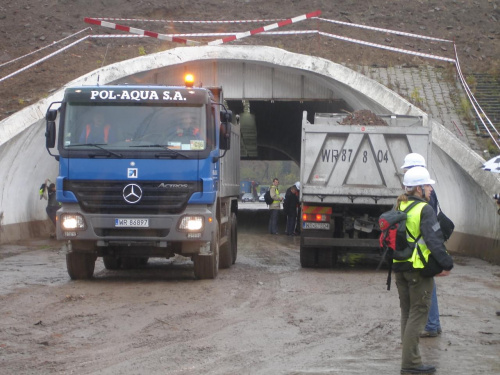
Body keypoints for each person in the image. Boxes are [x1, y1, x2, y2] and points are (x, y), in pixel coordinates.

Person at [394, 166, 453, 375]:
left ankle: (409, 358)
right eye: (427, 185)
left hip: (399, 268)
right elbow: (434, 241)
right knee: (418, 314)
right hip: (418, 270)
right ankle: (411, 363)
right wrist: (447, 264)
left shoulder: (401, 204)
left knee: (407, 313)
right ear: (418, 188)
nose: (430, 189)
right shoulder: (425, 209)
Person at [401, 153, 442, 338]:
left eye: (408, 170)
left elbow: (428, 229)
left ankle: (432, 325)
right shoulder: (427, 193)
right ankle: (433, 324)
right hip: (422, 252)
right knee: (427, 287)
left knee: (427, 288)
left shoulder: (426, 197)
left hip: (423, 253)